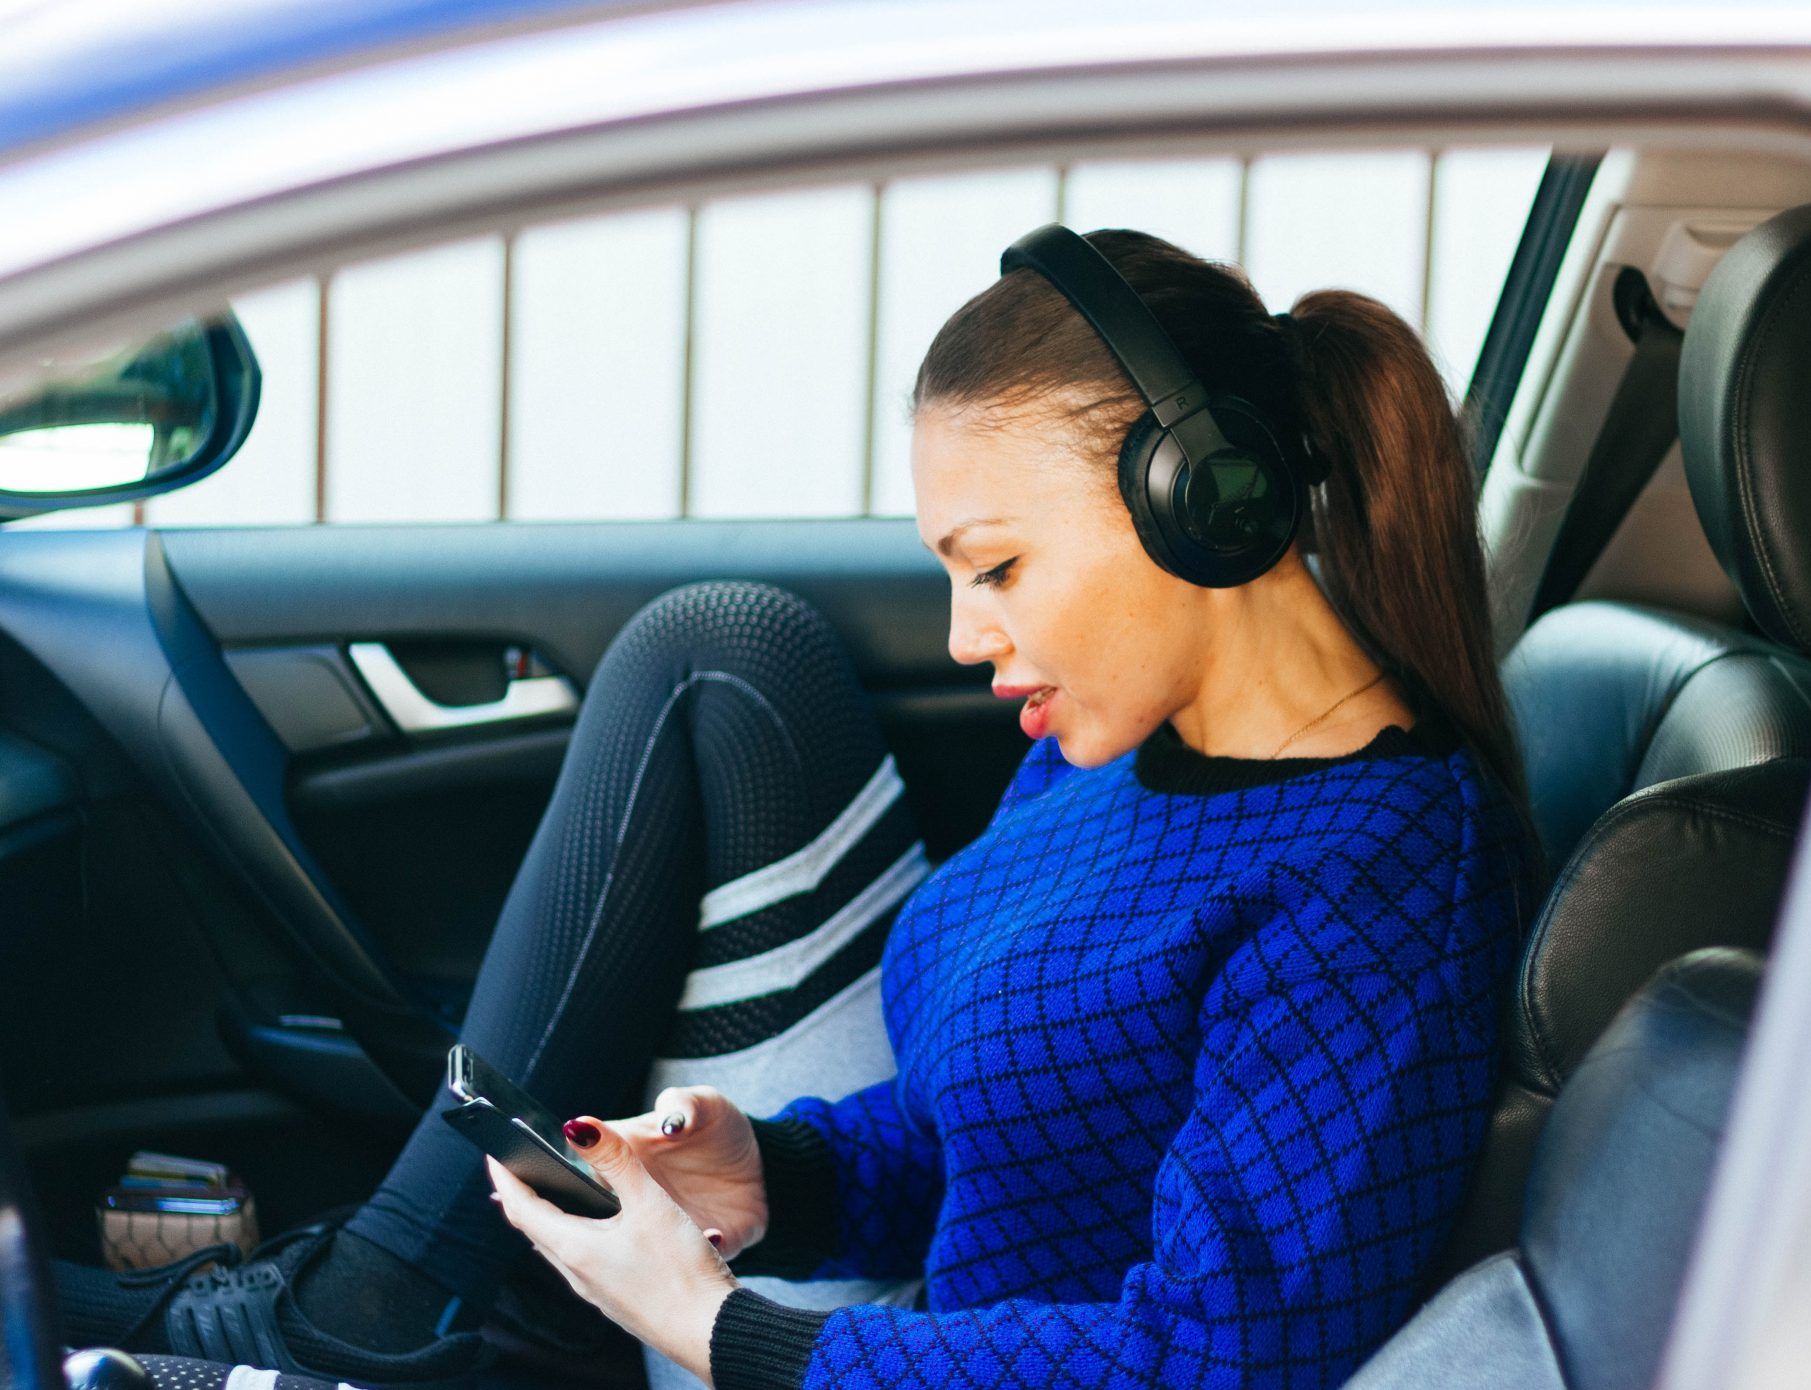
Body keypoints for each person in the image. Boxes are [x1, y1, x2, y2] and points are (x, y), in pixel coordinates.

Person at [56, 225, 1538, 1389]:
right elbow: (1016, 1131)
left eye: (1000, 566)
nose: (967, 635)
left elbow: (1215, 1361)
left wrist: (724, 1329)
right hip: (886, 1339)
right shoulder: (1117, 749)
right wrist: (778, 1175)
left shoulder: (1379, 869)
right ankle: (366, 1302)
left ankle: (371, 1305)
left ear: (1198, 498)